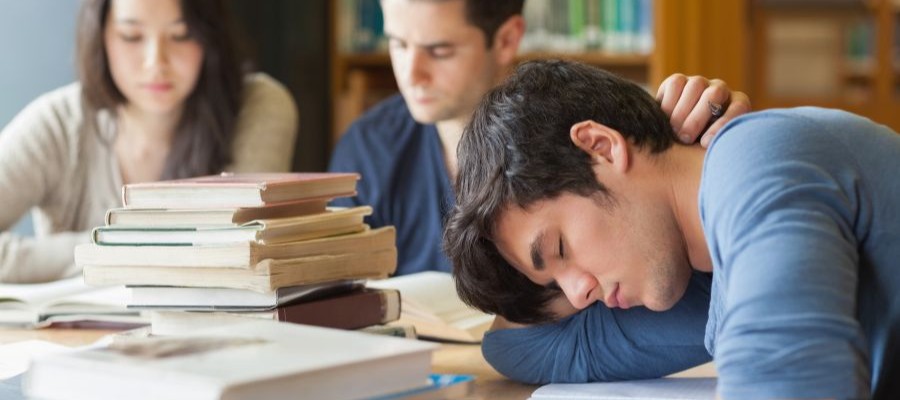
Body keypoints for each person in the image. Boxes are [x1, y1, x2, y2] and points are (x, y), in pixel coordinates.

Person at [445, 59, 900, 397]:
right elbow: (515, 348)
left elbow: (789, 386)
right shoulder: (702, 280)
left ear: (600, 147)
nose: (578, 295)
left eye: (560, 247)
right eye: (555, 285)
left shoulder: (755, 165)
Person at [328, 0, 750, 276]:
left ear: (508, 38)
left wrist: (704, 150)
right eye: (398, 44)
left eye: (439, 51)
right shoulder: (368, 146)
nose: (411, 73)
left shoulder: (585, 123)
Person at [0, 0, 299, 283]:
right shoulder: (57, 124)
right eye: (131, 36)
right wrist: (107, 246)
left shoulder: (259, 106)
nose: (156, 62)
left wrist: (107, 249)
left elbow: (241, 246)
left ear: (210, 36)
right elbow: (200, 248)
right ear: (100, 34)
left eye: (182, 35)